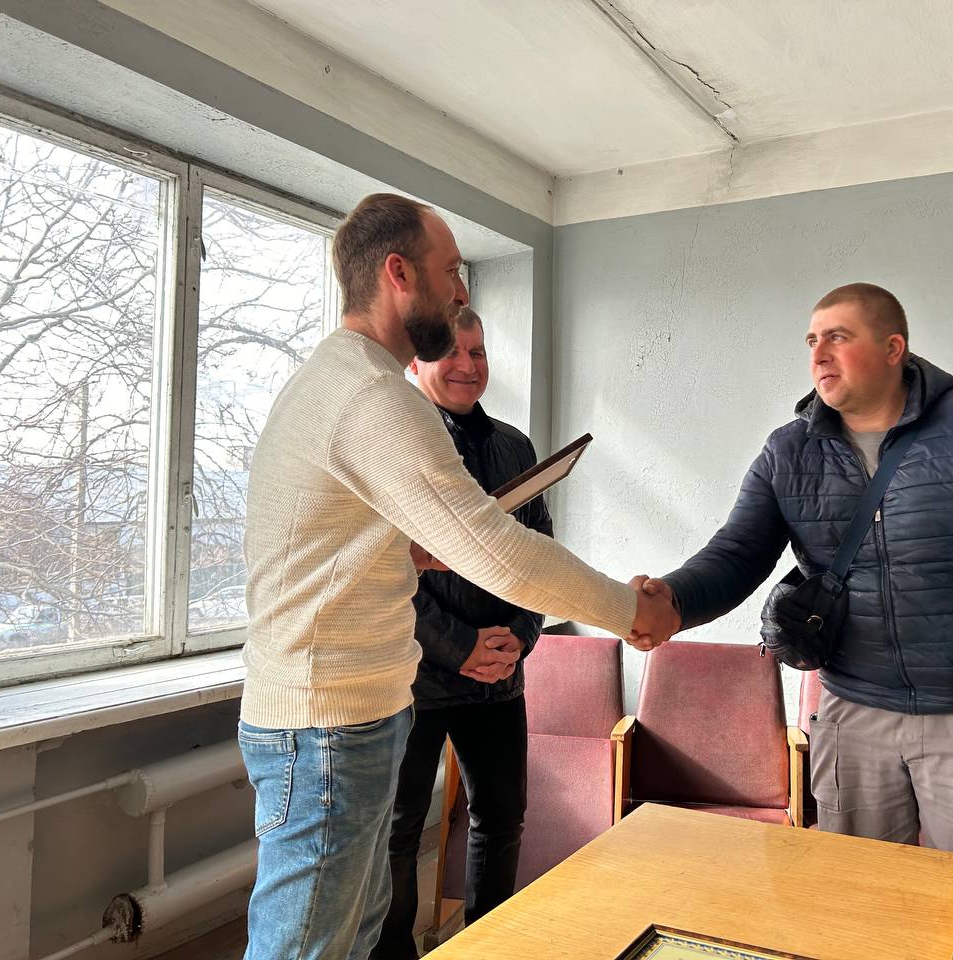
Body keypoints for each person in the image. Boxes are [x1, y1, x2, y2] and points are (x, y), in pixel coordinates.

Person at [238, 193, 676, 960]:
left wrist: (406, 553)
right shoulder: (373, 396)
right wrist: (627, 610)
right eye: (450, 272)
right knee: (309, 948)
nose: (461, 292)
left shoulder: (340, 379)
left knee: (350, 938)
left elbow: (332, 549)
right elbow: (500, 550)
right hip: (326, 726)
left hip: (345, 716)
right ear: (398, 274)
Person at [638, 282, 953, 960]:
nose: (818, 353)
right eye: (812, 340)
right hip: (852, 716)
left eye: (838, 336)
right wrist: (669, 601)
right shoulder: (789, 450)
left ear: (892, 348)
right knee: (853, 917)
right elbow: (735, 554)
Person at [371, 306, 546, 958]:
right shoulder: (394, 443)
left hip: (499, 677)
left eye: (479, 352)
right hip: (413, 680)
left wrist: (519, 637)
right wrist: (461, 647)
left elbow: (540, 553)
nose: (469, 366)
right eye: (453, 353)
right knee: (396, 834)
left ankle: (486, 949)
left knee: (500, 823)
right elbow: (385, 569)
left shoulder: (515, 447)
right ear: (417, 362)